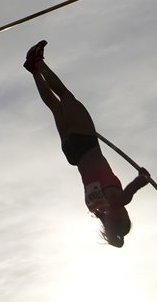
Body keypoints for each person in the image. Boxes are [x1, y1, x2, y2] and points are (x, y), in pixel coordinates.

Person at [24, 40, 150, 247]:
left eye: (126, 215)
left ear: (122, 217)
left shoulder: (118, 203)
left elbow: (135, 186)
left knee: (65, 97)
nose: (126, 210)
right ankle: (34, 71)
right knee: (55, 107)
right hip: (73, 153)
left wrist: (143, 178)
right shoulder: (95, 208)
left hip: (87, 144)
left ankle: (38, 63)